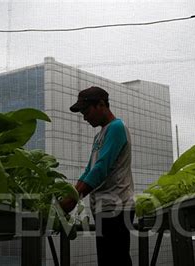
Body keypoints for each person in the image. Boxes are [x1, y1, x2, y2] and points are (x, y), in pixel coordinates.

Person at [60, 86, 135, 266]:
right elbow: (89, 170)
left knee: (116, 260)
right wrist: (70, 194)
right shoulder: (100, 135)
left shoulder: (117, 127)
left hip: (117, 208)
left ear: (101, 104)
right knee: (109, 260)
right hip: (104, 208)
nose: (84, 117)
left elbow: (101, 169)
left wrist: (73, 199)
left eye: (86, 111)